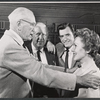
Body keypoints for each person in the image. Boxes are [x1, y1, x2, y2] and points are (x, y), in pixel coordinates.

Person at [0, 7, 100, 98]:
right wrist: (78, 80)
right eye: (32, 25)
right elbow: (39, 71)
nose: (33, 30)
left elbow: (38, 65)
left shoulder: (14, 43)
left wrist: (67, 71)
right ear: (19, 24)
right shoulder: (10, 46)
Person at [26, 22, 59, 98]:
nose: (41, 38)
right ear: (32, 35)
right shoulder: (24, 50)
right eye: (38, 34)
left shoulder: (52, 51)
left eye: (44, 35)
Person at [67, 28, 100, 98]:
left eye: (75, 46)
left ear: (88, 49)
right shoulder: (80, 68)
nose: (72, 49)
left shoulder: (94, 75)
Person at [56, 23, 80, 97]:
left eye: (67, 35)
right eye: (62, 36)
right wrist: (47, 42)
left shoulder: (81, 50)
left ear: (74, 34)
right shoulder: (58, 48)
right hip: (60, 95)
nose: (65, 39)